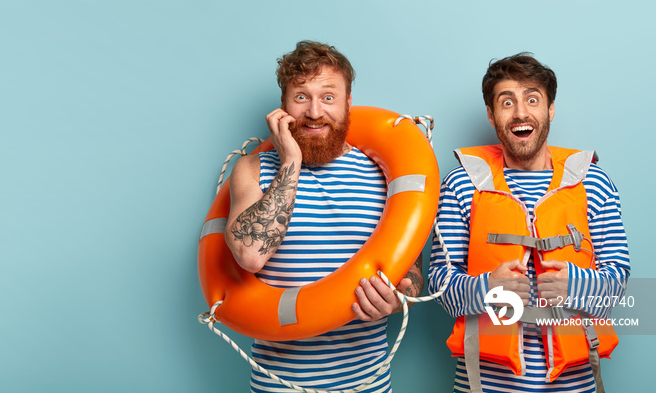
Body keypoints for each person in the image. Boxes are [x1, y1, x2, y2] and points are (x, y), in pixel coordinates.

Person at [225, 40, 423, 393]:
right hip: (278, 387)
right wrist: (290, 161)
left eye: (328, 97)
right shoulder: (252, 169)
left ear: (348, 104)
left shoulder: (382, 172)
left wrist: (397, 300)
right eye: (301, 97)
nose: (315, 111)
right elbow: (250, 254)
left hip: (369, 385)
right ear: (283, 107)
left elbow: (411, 274)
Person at [428, 53, 630, 392]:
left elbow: (619, 280)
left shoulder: (594, 183)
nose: (521, 112)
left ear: (550, 110)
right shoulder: (461, 184)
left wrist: (576, 285)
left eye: (532, 99)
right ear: (492, 116)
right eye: (507, 102)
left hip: (574, 383)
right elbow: (439, 285)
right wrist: (489, 288)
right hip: (485, 383)